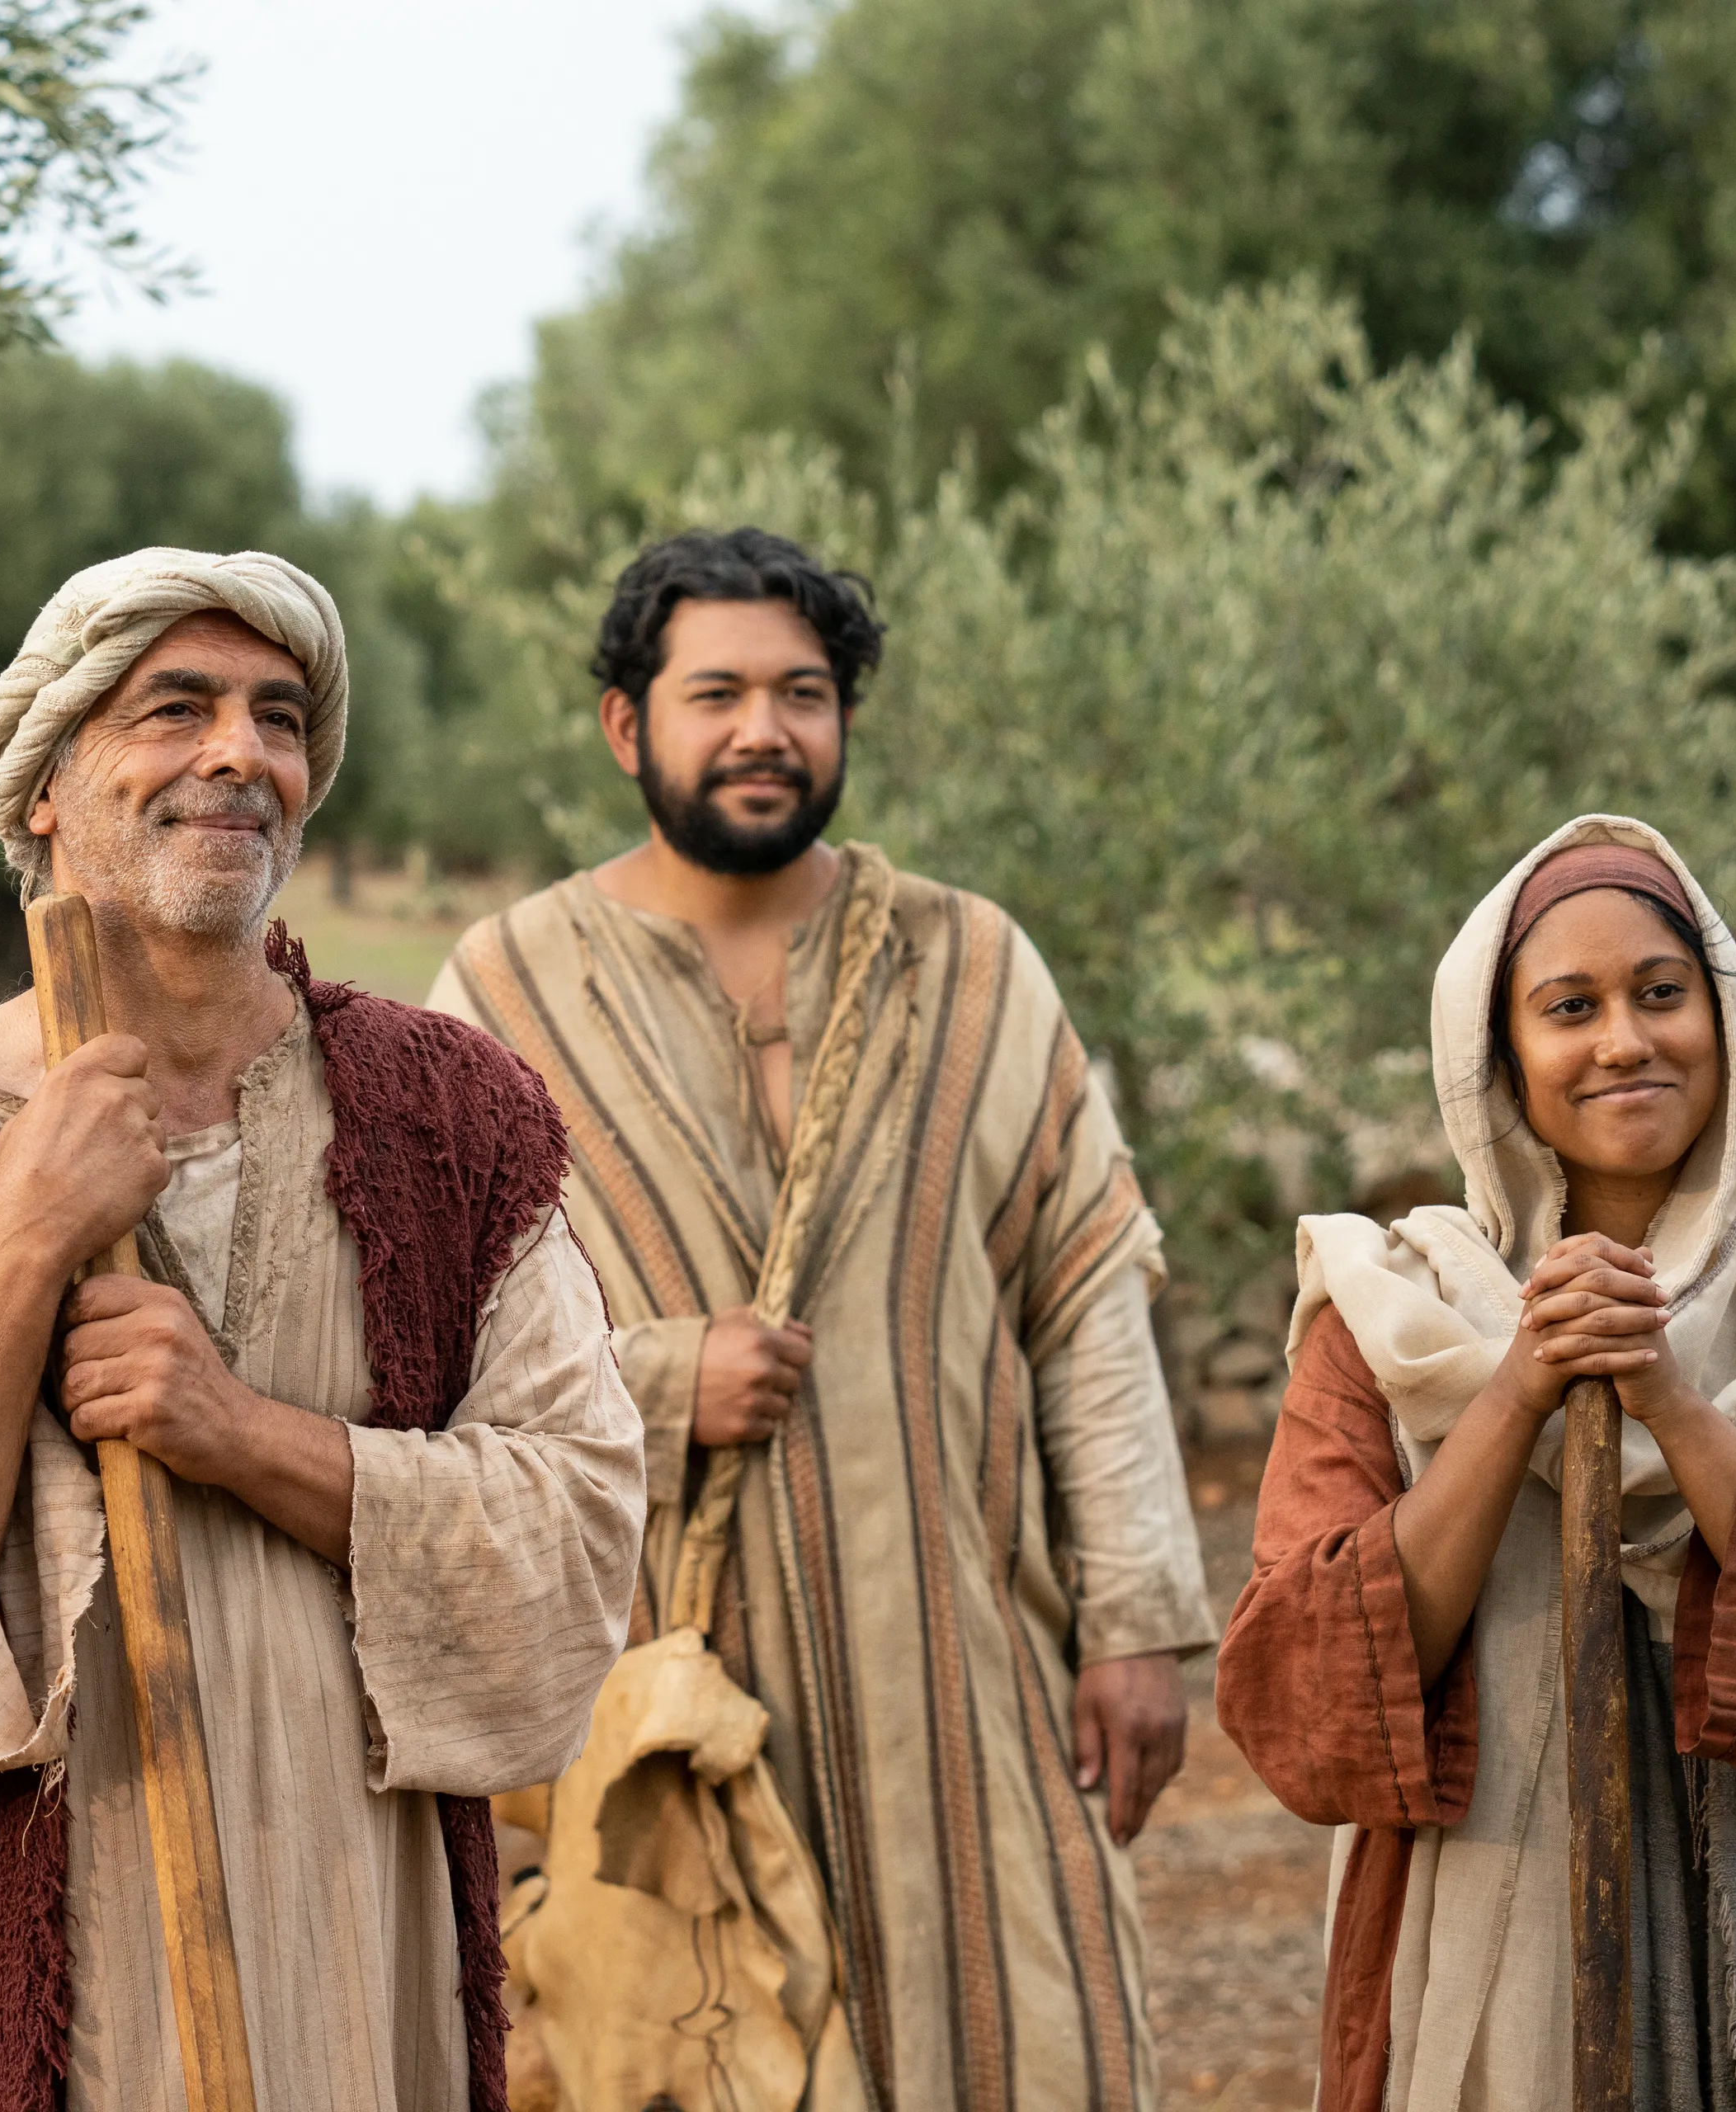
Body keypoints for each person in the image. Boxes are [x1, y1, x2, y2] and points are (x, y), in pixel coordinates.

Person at [0, 547, 647, 2112]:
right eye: (171, 708)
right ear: (46, 787)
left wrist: (241, 1435)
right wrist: (23, 1233)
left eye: (277, 717)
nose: (236, 755)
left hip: (368, 1978)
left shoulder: (449, 1116)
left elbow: (581, 1528)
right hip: (46, 2023)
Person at [430, 526, 1215, 2111]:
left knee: (1016, 2044)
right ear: (626, 724)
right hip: (664, 1704)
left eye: (803, 693)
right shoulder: (501, 996)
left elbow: (1084, 1305)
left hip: (962, 1672)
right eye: (715, 691)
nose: (762, 730)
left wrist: (1137, 1623)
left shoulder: (976, 964)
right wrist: (654, 1381)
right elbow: (430, 1355)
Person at [1216, 815, 1736, 2111]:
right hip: (1474, 1941)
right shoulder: (1391, 1324)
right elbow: (1300, 1691)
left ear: (1726, 1024)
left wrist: (1673, 1407)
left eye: (1662, 993)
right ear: (1501, 1062)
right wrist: (1522, 1383)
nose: (1625, 1039)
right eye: (1568, 1006)